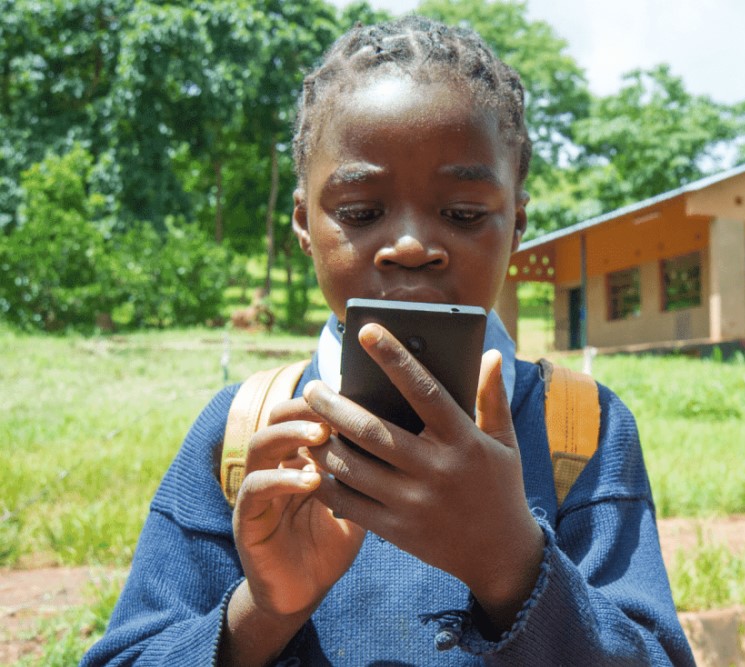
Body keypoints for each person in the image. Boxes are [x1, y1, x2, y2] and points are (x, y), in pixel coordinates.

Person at [83, 16, 695, 666]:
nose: (410, 245)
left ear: (515, 224)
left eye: (461, 214)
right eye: (359, 213)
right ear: (303, 224)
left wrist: (512, 563)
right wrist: (265, 611)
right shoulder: (244, 435)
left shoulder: (582, 429)